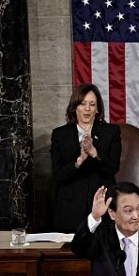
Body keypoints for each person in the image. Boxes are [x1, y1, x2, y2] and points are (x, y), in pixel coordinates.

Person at [51, 83, 121, 232]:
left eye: (92, 104)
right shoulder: (59, 134)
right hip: (70, 206)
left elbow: (112, 169)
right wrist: (80, 160)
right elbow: (58, 175)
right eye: (82, 104)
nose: (87, 109)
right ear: (74, 107)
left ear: (98, 109)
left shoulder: (111, 132)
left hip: (102, 203)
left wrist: (94, 153)